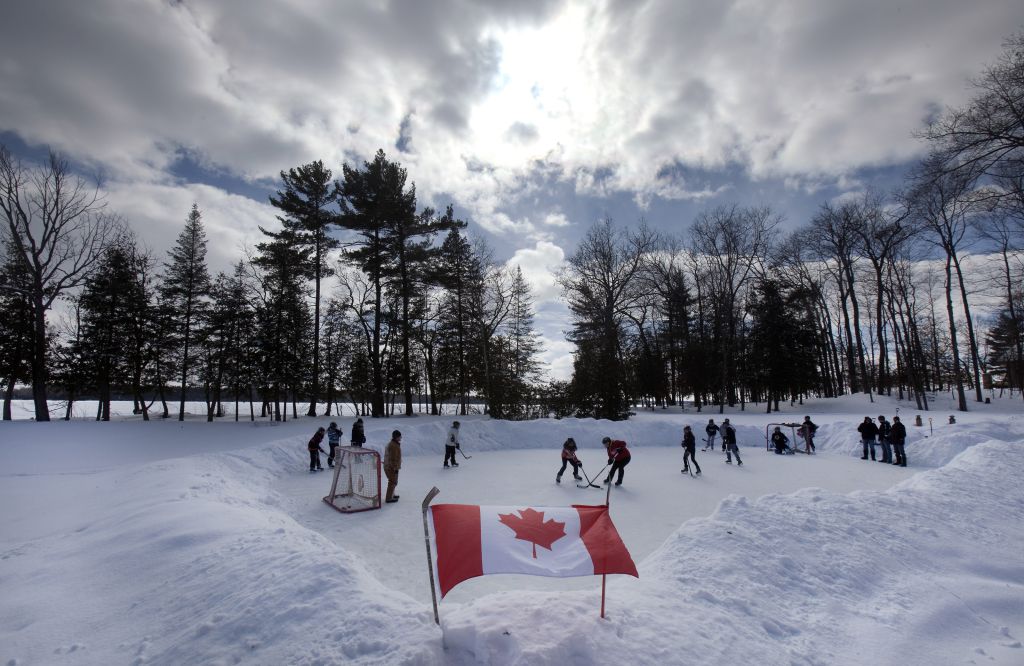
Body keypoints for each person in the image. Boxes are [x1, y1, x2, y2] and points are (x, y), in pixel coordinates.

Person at [384, 429, 402, 503]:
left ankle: (392, 494)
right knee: (392, 481)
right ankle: (388, 498)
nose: (401, 438)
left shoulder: (394, 444)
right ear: (396, 437)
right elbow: (393, 458)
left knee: (394, 481)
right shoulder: (393, 445)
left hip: (391, 466)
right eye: (400, 436)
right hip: (390, 467)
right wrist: (394, 467)